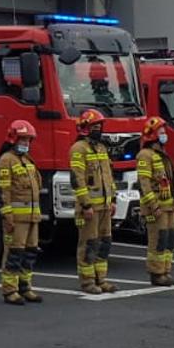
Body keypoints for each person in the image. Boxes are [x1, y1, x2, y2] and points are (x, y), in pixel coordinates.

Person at [68, 109, 118, 293]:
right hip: (90, 208)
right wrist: (86, 204)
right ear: (86, 128)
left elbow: (108, 176)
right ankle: (88, 282)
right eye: (95, 126)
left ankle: (101, 279)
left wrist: (113, 199)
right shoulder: (78, 149)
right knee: (88, 244)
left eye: (100, 126)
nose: (99, 130)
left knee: (104, 243)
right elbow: (77, 179)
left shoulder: (101, 148)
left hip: (104, 206)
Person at [0, 120, 45, 304]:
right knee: (14, 254)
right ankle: (10, 290)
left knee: (30, 252)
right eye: (23, 139)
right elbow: (3, 192)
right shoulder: (6, 160)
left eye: (28, 140)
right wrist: (7, 216)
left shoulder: (27, 161)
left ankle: (25, 287)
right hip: (16, 219)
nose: (26, 143)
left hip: (32, 217)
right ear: (13, 139)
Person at [135, 117, 174, 286]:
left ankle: (165, 271)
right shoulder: (145, 156)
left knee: (170, 238)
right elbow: (144, 184)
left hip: (168, 206)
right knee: (158, 239)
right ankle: (156, 273)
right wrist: (153, 206)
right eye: (161, 132)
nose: (164, 135)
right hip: (157, 208)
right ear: (153, 135)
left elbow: (171, 181)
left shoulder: (162, 155)